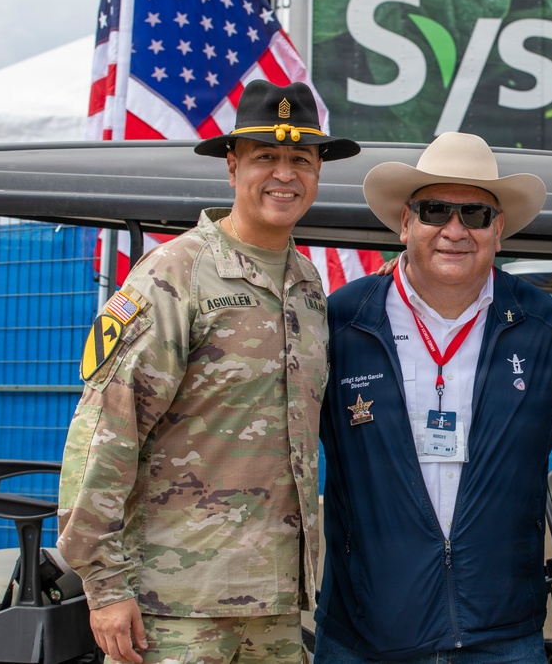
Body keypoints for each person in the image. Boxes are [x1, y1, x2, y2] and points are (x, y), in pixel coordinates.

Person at [56, 80, 359, 664]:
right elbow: (105, 432)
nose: (284, 175)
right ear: (231, 166)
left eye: (301, 159)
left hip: (272, 605)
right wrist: (104, 588)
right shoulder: (175, 274)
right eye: (265, 157)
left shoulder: (307, 285)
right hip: (172, 607)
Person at [314, 132, 552, 662]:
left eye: (476, 215)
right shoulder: (342, 320)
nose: (455, 230)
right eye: (435, 210)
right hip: (368, 635)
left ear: (499, 229)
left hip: (503, 635)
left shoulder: (543, 325)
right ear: (405, 222)